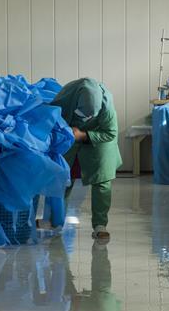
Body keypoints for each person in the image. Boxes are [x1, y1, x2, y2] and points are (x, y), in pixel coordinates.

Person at [52, 78, 121, 242]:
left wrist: (83, 135)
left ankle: (100, 225)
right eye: (83, 115)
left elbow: (110, 133)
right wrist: (67, 132)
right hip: (70, 138)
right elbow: (53, 118)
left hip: (99, 140)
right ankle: (55, 221)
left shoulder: (107, 106)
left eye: (91, 116)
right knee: (63, 178)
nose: (86, 118)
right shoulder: (66, 96)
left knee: (102, 181)